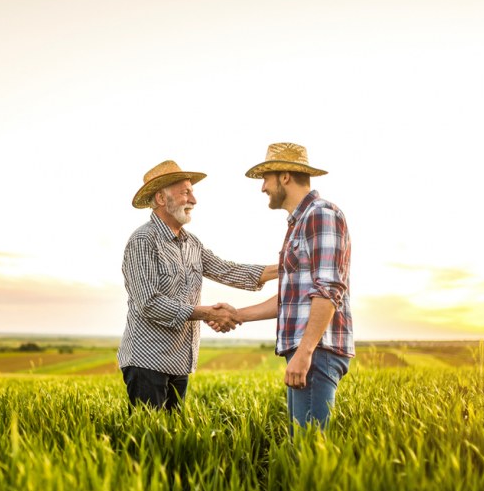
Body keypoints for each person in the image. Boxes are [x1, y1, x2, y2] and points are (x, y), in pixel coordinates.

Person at [118, 159, 276, 411]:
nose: (194, 199)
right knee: (147, 441)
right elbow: (149, 303)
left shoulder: (192, 243)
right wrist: (206, 313)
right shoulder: (142, 240)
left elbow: (227, 269)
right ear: (161, 198)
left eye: (192, 192)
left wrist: (285, 267)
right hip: (146, 361)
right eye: (186, 192)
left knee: (173, 442)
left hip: (179, 361)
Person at [217, 142, 354, 429]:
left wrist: (305, 352)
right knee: (299, 450)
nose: (263, 187)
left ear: (285, 177)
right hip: (308, 350)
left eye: (266, 178)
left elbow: (329, 291)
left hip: (316, 352)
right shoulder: (299, 223)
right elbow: (290, 300)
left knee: (308, 452)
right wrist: (237, 315)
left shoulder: (320, 214)